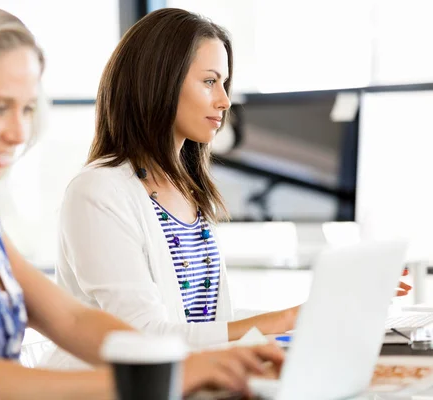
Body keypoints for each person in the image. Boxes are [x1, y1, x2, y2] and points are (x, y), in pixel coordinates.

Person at [0, 1, 285, 399]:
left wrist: (186, 365)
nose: (18, 133)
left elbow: (72, 321)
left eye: (27, 109)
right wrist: (158, 378)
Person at [44, 7, 411, 370]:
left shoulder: (186, 190)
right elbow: (145, 335)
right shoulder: (98, 192)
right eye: (209, 81)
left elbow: (206, 326)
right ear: (159, 82)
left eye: (224, 83)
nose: (224, 100)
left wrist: (324, 307)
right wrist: (287, 319)